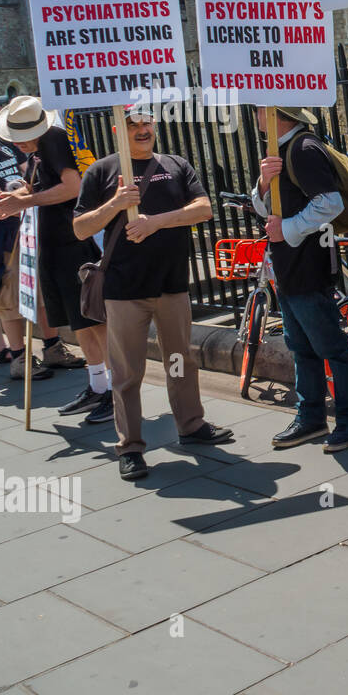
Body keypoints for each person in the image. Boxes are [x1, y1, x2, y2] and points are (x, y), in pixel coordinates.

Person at [72, 103, 233, 481]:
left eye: (147, 121)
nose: (142, 128)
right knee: (128, 373)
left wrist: (155, 222)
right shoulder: (102, 171)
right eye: (133, 123)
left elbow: (204, 209)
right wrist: (116, 203)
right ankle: (129, 447)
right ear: (118, 129)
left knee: (179, 361)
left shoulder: (175, 165)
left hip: (172, 286)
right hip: (125, 291)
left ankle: (191, 426)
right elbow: (80, 229)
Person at [0, 97, 110, 422]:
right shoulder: (41, 149)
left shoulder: (52, 139)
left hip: (72, 244)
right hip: (56, 245)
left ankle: (112, 391)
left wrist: (23, 203)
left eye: (20, 134)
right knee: (80, 322)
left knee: (93, 322)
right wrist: (18, 196)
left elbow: (73, 187)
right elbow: (49, 186)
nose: (16, 142)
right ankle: (99, 386)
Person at [251, 105, 348, 453]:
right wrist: (262, 184)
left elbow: (329, 204)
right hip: (287, 269)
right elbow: (263, 207)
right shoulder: (280, 151)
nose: (255, 115)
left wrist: (286, 229)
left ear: (273, 113)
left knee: (332, 347)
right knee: (301, 348)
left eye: (258, 109)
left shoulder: (303, 148)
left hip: (308, 266)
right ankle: (311, 416)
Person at [0, 92, 57, 382]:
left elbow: (28, 176)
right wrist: (24, 195)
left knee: (40, 291)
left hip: (25, 227)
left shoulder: (1, 143)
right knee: (9, 298)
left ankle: (53, 346)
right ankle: (19, 358)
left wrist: (26, 193)